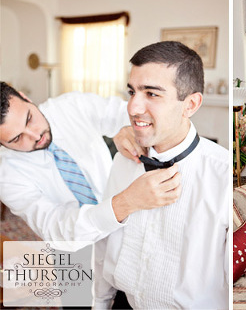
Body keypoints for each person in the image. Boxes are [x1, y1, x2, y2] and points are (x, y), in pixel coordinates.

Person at [94, 41, 229, 309]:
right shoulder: (124, 159)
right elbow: (105, 240)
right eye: (132, 92)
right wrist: (99, 302)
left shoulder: (222, 176)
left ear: (190, 104)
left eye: (152, 94)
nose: (133, 108)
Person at [0, 81, 175, 244]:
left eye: (29, 119)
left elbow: (129, 113)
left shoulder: (71, 106)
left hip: (133, 229)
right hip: (76, 249)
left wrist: (131, 129)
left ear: (25, 98)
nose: (35, 135)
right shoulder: (7, 174)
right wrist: (126, 203)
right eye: (17, 138)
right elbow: (56, 229)